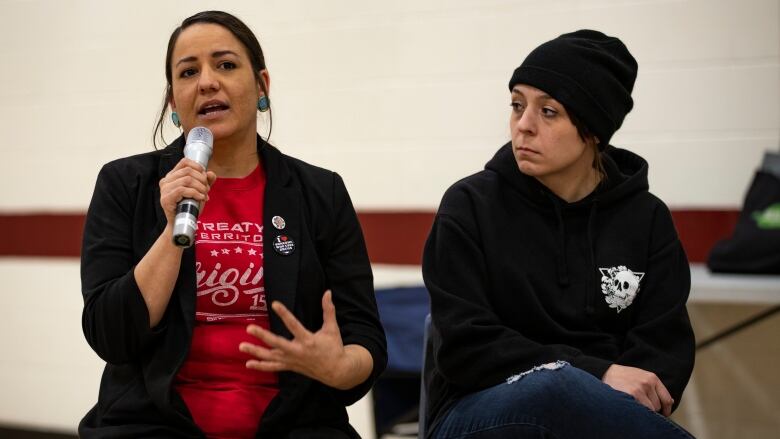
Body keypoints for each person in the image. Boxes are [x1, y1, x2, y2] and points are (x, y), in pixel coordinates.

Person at [80, 11, 386, 438]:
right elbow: (109, 335)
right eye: (188, 72)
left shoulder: (321, 192)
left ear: (262, 86)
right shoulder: (126, 185)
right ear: (173, 101)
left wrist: (337, 368)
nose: (207, 81)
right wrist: (171, 231)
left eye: (225, 64)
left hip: (294, 424)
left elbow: (365, 339)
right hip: (153, 424)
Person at [422, 30, 696, 438]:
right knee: (554, 388)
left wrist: (604, 392)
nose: (523, 126)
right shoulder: (470, 205)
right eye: (517, 105)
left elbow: (664, 350)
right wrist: (595, 373)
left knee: (567, 396)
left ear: (594, 130)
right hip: (475, 411)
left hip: (601, 417)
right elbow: (465, 347)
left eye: (548, 112)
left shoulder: (647, 218)